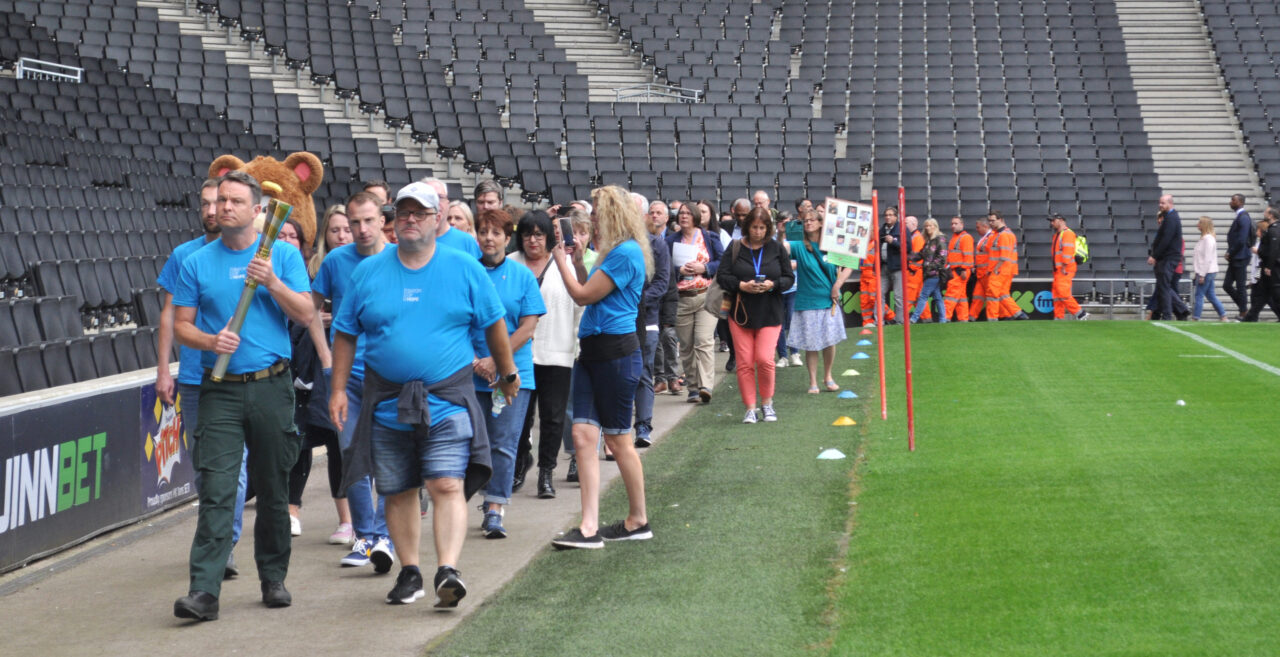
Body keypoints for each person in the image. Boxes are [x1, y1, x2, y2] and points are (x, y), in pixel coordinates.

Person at [329, 181, 518, 608]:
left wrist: (507, 372)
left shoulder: (464, 266)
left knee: (445, 482)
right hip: (387, 402)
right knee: (397, 489)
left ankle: (447, 569)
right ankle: (410, 571)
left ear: (437, 219)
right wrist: (338, 389)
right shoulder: (369, 272)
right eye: (404, 213)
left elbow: (494, 324)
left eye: (420, 212)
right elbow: (344, 332)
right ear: (394, 222)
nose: (410, 219)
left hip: (448, 399)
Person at [172, 171, 314, 621]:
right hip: (220, 391)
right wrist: (211, 342)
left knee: (273, 487)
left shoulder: (283, 255)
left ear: (257, 210)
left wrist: (271, 281)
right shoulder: (196, 262)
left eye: (235, 200)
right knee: (215, 489)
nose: (223, 208)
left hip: (272, 385)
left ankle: (273, 578)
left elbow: (308, 312)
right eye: (219, 201)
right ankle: (204, 591)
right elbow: (181, 325)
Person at [548, 185, 653, 550]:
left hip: (615, 353)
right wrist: (575, 260)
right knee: (582, 437)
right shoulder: (614, 252)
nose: (591, 216)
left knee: (619, 440)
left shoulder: (625, 253)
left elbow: (581, 295)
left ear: (612, 214)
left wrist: (558, 258)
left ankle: (638, 519)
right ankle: (589, 527)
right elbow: (586, 285)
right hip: (593, 351)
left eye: (596, 210)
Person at [155, 178, 248, 581]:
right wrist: (164, 368)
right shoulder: (184, 255)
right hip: (194, 377)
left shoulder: (251, 251)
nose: (213, 210)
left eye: (220, 202)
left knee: (237, 465)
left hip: (241, 377)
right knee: (206, 467)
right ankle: (216, 536)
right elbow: (168, 316)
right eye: (207, 204)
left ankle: (225, 543)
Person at [310, 191, 396, 570]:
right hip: (346, 376)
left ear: (382, 221)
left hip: (390, 375)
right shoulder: (335, 262)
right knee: (351, 454)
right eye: (353, 223)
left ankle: (386, 535)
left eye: (367, 221)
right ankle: (366, 537)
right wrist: (327, 359)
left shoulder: (399, 257)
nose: (360, 230)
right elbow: (310, 309)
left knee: (389, 455)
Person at [471, 209, 545, 538]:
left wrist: (495, 360)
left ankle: (495, 508)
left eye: (495, 233)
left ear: (506, 236)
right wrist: (477, 360)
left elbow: (528, 326)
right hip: (469, 373)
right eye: (483, 232)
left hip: (511, 375)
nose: (488, 238)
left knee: (503, 442)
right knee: (471, 442)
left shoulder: (522, 276)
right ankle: (461, 502)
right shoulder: (466, 272)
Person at [512, 211, 584, 498]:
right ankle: (518, 466)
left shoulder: (563, 264)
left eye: (539, 234)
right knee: (520, 417)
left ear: (549, 237)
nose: (533, 240)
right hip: (518, 354)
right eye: (528, 234)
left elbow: (579, 305)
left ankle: (546, 473)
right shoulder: (511, 264)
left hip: (557, 352)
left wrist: (577, 345)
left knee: (553, 417)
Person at [718, 208, 794, 422]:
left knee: (765, 359)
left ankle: (767, 403)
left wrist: (772, 284)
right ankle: (750, 408)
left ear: (768, 228)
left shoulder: (777, 248)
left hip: (770, 311)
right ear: (747, 227)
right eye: (754, 227)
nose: (758, 232)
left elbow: (789, 278)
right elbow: (722, 276)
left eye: (762, 227)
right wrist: (742, 285)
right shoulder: (734, 247)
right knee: (744, 362)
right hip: (740, 313)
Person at [785, 210, 851, 393]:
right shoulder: (799, 246)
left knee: (830, 341)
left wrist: (837, 285)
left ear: (821, 223)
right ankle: (813, 381)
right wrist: (780, 232)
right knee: (811, 343)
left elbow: (850, 263)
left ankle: (828, 375)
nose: (807, 223)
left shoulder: (832, 246)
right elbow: (781, 248)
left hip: (828, 299)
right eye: (805, 220)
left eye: (812, 220)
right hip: (807, 300)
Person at [666, 201, 724, 405]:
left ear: (696, 217)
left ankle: (705, 386)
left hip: (705, 296)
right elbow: (663, 269)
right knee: (687, 346)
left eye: (688, 213)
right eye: (681, 213)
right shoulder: (671, 240)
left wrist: (704, 268)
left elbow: (722, 262)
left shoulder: (709, 237)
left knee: (704, 340)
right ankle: (692, 387)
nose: (683, 217)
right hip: (682, 298)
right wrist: (678, 271)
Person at [634, 201, 671, 447]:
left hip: (646, 318)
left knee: (644, 372)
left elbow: (662, 282)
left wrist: (638, 300)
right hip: (621, 320)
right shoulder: (615, 245)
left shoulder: (657, 244)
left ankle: (643, 426)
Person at [1148, 195, 1190, 321]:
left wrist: (1155, 256)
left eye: (1163, 203)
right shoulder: (1170, 217)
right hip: (1167, 257)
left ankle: (1170, 314)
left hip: (1168, 257)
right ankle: (1181, 311)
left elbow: (1166, 239)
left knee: (1164, 286)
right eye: (1160, 203)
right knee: (1163, 285)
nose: (1160, 205)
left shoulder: (1171, 218)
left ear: (1170, 203)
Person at [986, 210, 1030, 320]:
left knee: (992, 294)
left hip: (1000, 269)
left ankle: (992, 319)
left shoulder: (1004, 235)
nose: (990, 223)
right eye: (989, 221)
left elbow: (1003, 256)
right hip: (1006, 269)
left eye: (992, 220)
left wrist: (995, 269)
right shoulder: (1003, 233)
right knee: (1003, 294)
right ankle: (1019, 314)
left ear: (1000, 220)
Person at [1048, 213, 1089, 320]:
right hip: (1059, 269)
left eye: (1053, 221)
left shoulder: (1067, 234)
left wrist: (1064, 266)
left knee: (1062, 292)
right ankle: (1058, 317)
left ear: (1060, 220)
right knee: (1057, 295)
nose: (1051, 223)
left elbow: (1068, 252)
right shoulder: (1059, 234)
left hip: (1064, 269)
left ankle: (1080, 313)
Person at [908, 218, 947, 324]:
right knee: (937, 296)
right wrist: (908, 257)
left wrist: (930, 267)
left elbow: (942, 257)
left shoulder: (940, 239)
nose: (928, 228)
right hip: (929, 273)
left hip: (934, 273)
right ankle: (943, 319)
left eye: (930, 225)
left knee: (923, 296)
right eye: (926, 226)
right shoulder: (928, 241)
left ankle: (914, 318)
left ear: (935, 226)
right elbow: (921, 254)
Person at [1191, 215, 1229, 321]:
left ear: (1204, 225)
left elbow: (1207, 258)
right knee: (1211, 295)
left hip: (1206, 271)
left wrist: (1202, 274)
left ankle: (1196, 317)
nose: (1197, 225)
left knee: (1199, 295)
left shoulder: (1208, 239)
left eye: (1199, 223)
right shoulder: (1205, 239)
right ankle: (1223, 315)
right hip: (1206, 271)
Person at [1224, 194, 1254, 319]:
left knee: (1240, 286)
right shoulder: (1240, 217)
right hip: (1236, 256)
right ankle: (1244, 309)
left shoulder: (1243, 218)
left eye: (1233, 200)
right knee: (1227, 285)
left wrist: (1230, 252)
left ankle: (1244, 312)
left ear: (1240, 202)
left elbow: (1241, 240)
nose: (1231, 202)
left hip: (1240, 257)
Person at [858, 229, 893, 326]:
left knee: (874, 298)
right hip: (864, 274)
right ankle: (867, 322)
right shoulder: (863, 244)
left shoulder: (877, 244)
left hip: (873, 274)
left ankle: (891, 317)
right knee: (865, 300)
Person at [309, 205, 352, 277]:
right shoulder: (309, 265)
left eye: (348, 231)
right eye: (335, 231)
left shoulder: (366, 263)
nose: (341, 236)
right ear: (325, 233)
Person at [943, 216, 973, 322]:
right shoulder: (955, 237)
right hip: (957, 270)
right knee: (961, 298)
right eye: (952, 224)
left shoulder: (965, 237)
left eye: (956, 223)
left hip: (960, 271)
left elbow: (968, 255)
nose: (953, 226)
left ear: (962, 224)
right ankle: (963, 319)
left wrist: (964, 269)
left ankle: (945, 318)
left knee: (950, 295)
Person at [902, 215, 931, 320]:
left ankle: (901, 319)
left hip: (913, 272)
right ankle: (927, 318)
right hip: (915, 272)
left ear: (914, 224)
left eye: (906, 223)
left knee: (908, 297)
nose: (903, 225)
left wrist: (911, 269)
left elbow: (918, 257)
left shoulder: (917, 237)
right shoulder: (914, 236)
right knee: (919, 297)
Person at [878, 205, 904, 322]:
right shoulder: (882, 230)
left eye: (890, 215)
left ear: (896, 217)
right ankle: (878, 321)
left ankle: (900, 321)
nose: (887, 217)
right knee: (879, 294)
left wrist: (893, 241)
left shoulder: (902, 229)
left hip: (897, 267)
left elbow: (907, 247)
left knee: (898, 296)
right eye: (886, 215)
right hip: (884, 266)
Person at [969, 216, 992, 320]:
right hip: (981, 273)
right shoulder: (984, 238)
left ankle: (1008, 315)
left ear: (985, 226)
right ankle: (971, 317)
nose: (976, 229)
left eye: (978, 227)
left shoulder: (990, 237)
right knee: (977, 296)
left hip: (987, 273)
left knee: (993, 297)